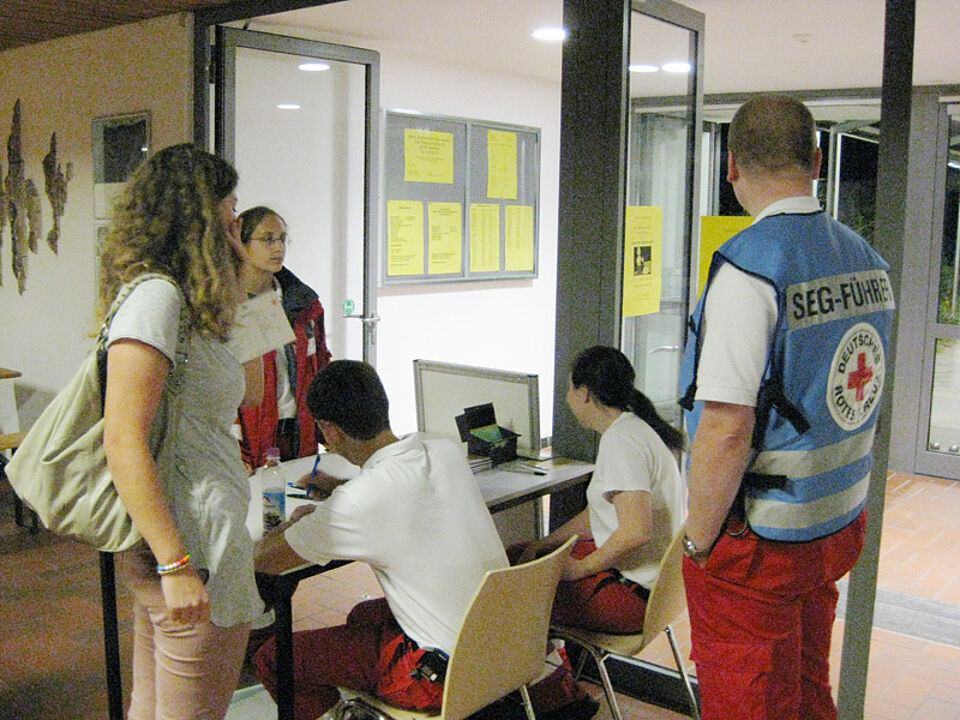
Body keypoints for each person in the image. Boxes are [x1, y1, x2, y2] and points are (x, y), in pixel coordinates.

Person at [678, 94, 895, 720]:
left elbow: (725, 427)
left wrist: (698, 542)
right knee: (803, 691)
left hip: (760, 544)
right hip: (834, 525)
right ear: (817, 161)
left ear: (731, 166)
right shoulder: (867, 261)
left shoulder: (751, 270)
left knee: (750, 701)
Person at [99, 144, 264, 720]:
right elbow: (122, 439)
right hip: (188, 543)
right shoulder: (158, 299)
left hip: (195, 535)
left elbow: (247, 393)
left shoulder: (184, 302)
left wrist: (241, 282)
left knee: (154, 708)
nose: (236, 222)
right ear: (200, 214)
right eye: (230, 208)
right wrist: (176, 564)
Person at [252, 360, 509, 719]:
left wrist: (294, 525)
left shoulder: (359, 501)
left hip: (444, 676)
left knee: (274, 659)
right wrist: (339, 491)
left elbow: (264, 560)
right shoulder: (443, 449)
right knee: (363, 615)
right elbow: (401, 494)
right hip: (505, 648)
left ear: (330, 430)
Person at [512, 345, 685, 634]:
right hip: (653, 590)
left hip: (632, 597)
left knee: (511, 587)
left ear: (584, 393)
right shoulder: (636, 428)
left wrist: (583, 568)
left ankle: (535, 662)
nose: (567, 398)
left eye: (569, 389)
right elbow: (601, 515)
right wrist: (546, 543)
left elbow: (636, 531)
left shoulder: (621, 441)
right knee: (520, 554)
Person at [236, 206, 331, 470]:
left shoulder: (304, 304)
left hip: (299, 435)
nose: (278, 247)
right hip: (251, 441)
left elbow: (321, 368)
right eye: (268, 239)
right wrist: (235, 449)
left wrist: (330, 429)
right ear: (241, 244)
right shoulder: (228, 307)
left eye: (282, 239)